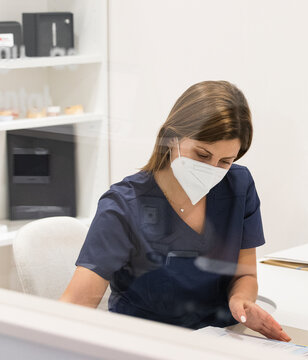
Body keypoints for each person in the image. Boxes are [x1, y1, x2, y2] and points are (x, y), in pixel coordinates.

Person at [60, 80, 291, 342]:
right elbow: (76, 306)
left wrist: (242, 301)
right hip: (147, 346)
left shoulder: (238, 186)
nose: (212, 169)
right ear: (172, 138)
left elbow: (246, 274)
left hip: (221, 343)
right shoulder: (124, 205)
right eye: (202, 155)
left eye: (225, 161)